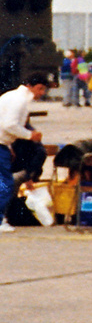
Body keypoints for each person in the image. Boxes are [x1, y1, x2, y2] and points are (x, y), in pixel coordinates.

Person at [0, 72, 51, 232]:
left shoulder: (10, 96)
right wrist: (30, 135)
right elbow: (9, 125)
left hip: (3, 143)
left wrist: (8, 145)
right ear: (30, 86)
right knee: (6, 183)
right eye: (40, 88)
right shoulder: (20, 100)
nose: (41, 93)